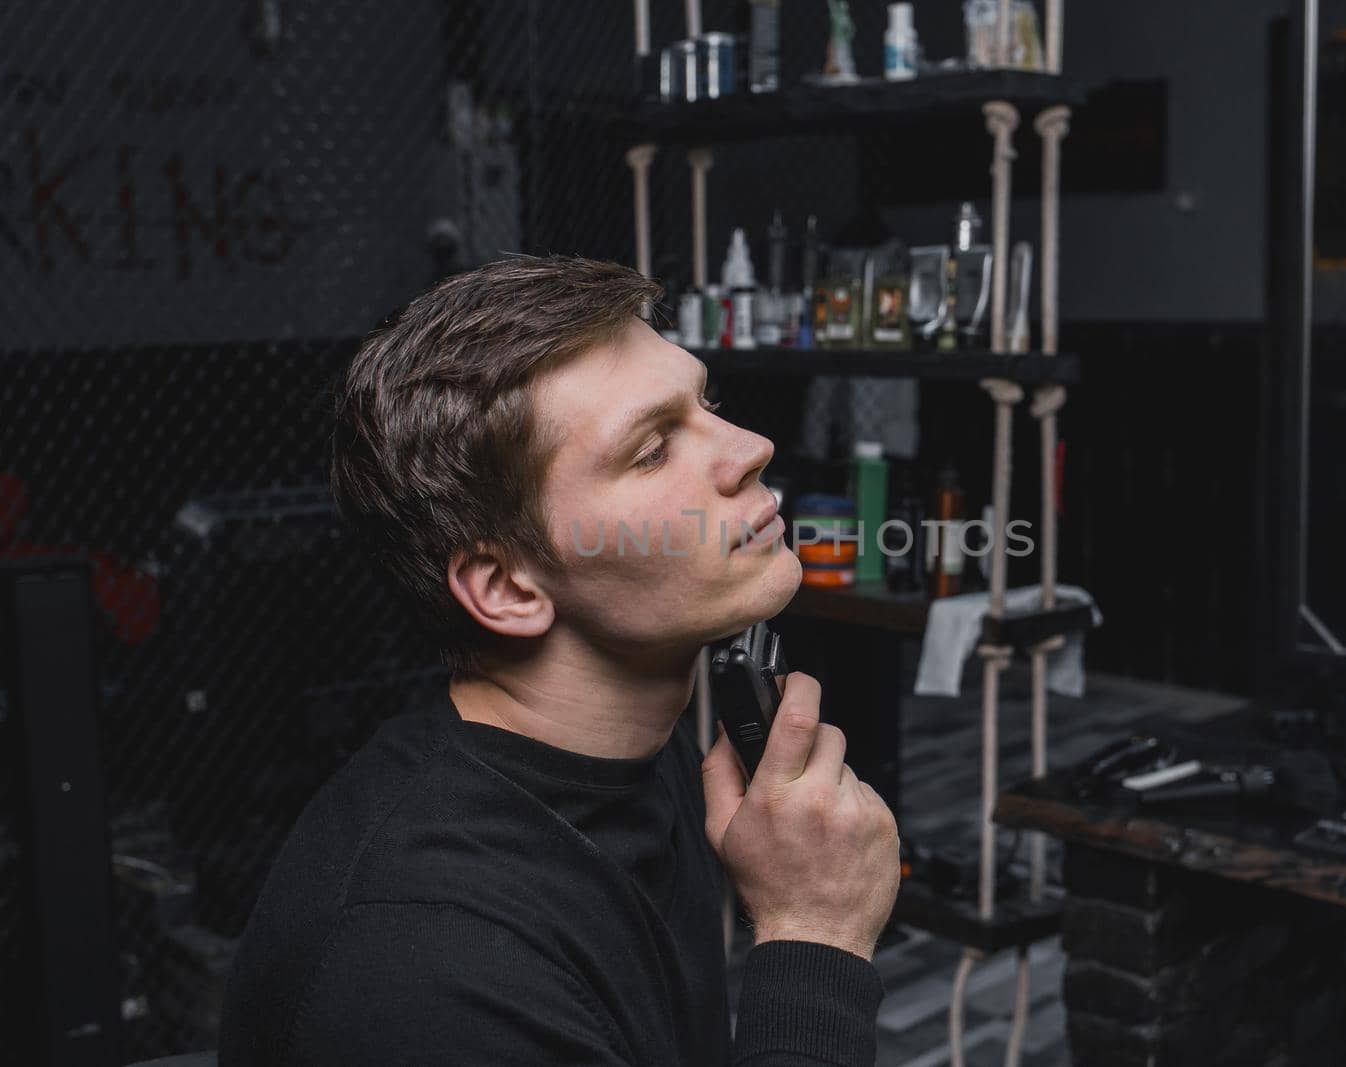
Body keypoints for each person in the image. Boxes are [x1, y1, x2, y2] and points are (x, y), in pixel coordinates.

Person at [218, 255, 902, 1065]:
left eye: (706, 403)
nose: (751, 447)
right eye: (651, 449)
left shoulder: (645, 755)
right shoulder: (429, 960)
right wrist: (814, 935)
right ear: (507, 586)